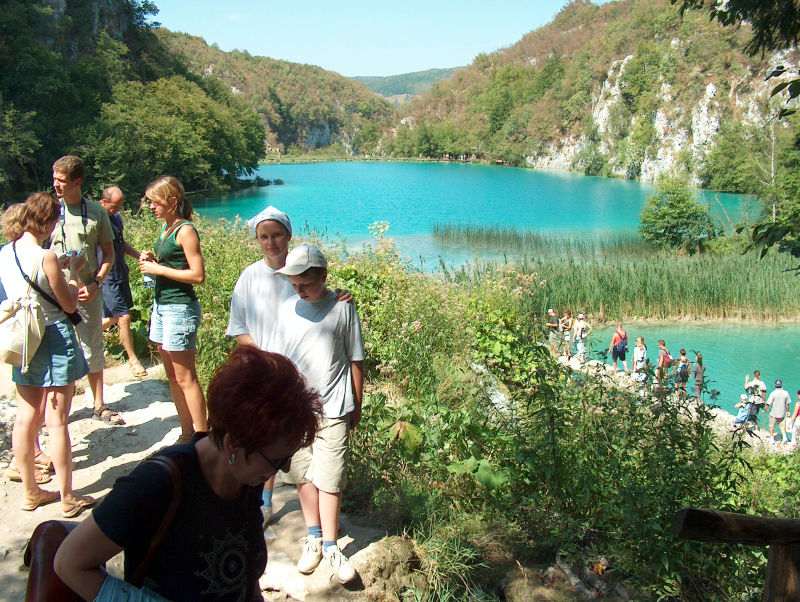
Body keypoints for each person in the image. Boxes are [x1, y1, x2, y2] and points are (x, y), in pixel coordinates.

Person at [54, 346, 323, 601]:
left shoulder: (245, 478)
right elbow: (69, 563)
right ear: (234, 445)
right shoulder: (156, 484)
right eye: (277, 460)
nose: (285, 468)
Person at [226, 206, 353, 526]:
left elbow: (323, 299)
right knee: (265, 434)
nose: (271, 243)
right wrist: (266, 360)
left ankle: (312, 520)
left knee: (291, 440)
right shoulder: (249, 277)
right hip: (264, 367)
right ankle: (264, 502)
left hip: (301, 375)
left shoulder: (300, 270)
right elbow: (238, 327)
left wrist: (341, 297)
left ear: (289, 236)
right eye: (263, 237)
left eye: (277, 235)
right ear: (256, 240)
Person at [273, 244, 364, 584]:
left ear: (324, 276)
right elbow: (279, 361)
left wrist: (357, 403)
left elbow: (355, 359)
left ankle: (331, 545)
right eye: (294, 285)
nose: (299, 291)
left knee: (331, 478)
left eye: (306, 284)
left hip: (334, 408)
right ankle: (313, 537)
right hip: (297, 409)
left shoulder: (343, 308)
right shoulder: (287, 309)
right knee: (303, 475)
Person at [0, 193, 95, 516]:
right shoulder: (46, 256)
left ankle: (30, 492)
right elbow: (68, 303)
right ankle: (67, 497)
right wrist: (74, 272)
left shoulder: (6, 252)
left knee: (25, 418)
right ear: (50, 222)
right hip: (53, 337)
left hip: (25, 338)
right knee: (57, 421)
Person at [48, 155, 120, 424]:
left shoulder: (97, 213)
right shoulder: (48, 211)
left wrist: (96, 283)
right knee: (55, 348)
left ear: (77, 182)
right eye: (54, 179)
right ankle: (56, 410)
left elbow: (109, 254)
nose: (55, 185)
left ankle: (99, 403)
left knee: (92, 346)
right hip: (53, 294)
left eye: (61, 180)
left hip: (86, 291)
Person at [139, 176, 206, 443]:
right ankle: (187, 434)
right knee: (172, 376)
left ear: (172, 201)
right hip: (162, 306)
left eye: (155, 202)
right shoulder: (167, 228)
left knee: (186, 377)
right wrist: (153, 260)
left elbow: (197, 275)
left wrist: (158, 269)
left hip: (180, 308)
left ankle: (202, 438)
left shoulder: (185, 230)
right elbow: (173, 265)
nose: (151, 207)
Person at [99, 186, 146, 378]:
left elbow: (120, 243)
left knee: (118, 316)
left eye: (120, 206)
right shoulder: (96, 220)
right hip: (106, 276)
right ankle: (133, 360)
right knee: (123, 317)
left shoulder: (116, 218)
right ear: (104, 202)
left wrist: (138, 256)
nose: (118, 210)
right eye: (115, 206)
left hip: (121, 272)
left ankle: (86, 334)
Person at [765, 379, 791, 444]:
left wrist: (764, 410)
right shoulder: (786, 393)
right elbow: (787, 404)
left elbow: (768, 404)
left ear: (775, 385)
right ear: (781, 385)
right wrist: (788, 411)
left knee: (771, 426)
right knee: (782, 426)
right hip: (782, 413)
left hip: (774, 413)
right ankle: (784, 438)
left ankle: (772, 439)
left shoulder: (773, 393)